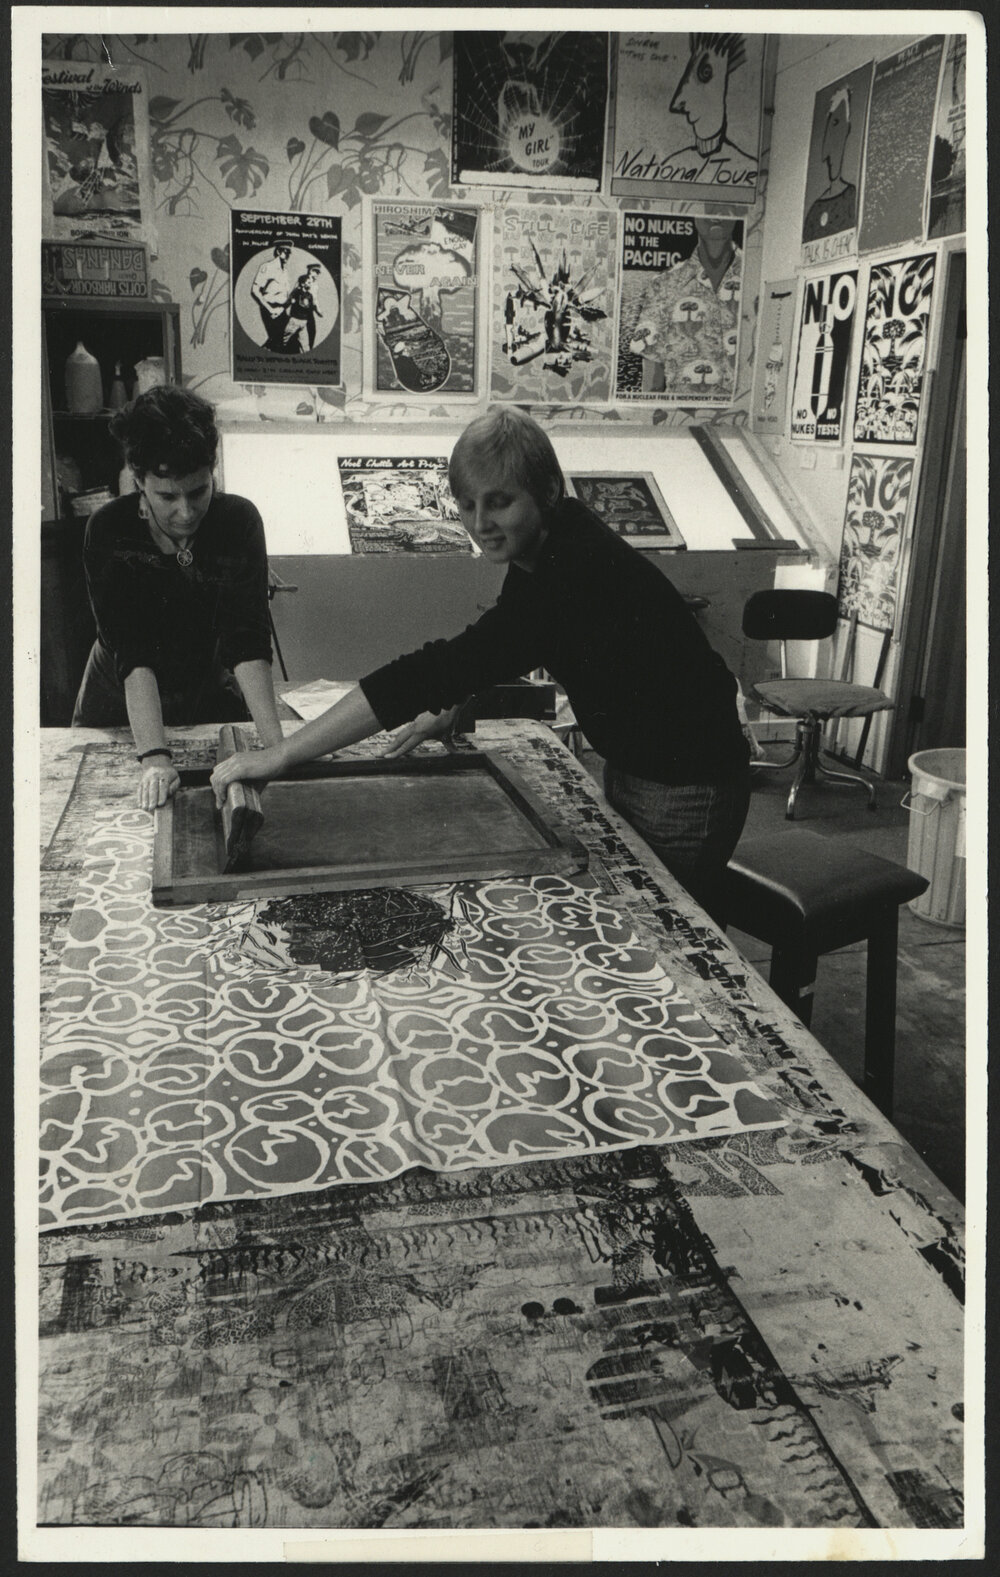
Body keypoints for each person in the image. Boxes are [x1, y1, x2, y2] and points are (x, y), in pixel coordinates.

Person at [211, 407, 750, 925]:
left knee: (664, 933)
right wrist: (457, 704)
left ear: (544, 491)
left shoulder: (570, 571)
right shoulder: (553, 539)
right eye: (467, 505)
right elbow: (507, 642)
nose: (480, 523)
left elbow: (437, 668)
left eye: (499, 502)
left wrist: (282, 756)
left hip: (688, 785)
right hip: (644, 763)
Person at [73, 385, 284, 810]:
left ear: (213, 472)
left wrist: (278, 747)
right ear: (138, 482)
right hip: (122, 697)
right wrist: (154, 757)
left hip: (204, 684)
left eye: (199, 491)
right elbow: (132, 651)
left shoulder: (237, 520)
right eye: (167, 496)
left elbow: (246, 637)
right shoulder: (109, 529)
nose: (185, 513)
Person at [250, 243, 292, 350]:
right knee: (277, 342)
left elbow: (285, 294)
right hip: (269, 308)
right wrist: (270, 309)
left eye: (289, 253)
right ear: (278, 252)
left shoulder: (285, 271)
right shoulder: (268, 267)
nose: (288, 255)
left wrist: (283, 308)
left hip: (282, 310)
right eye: (285, 252)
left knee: (287, 339)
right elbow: (255, 290)